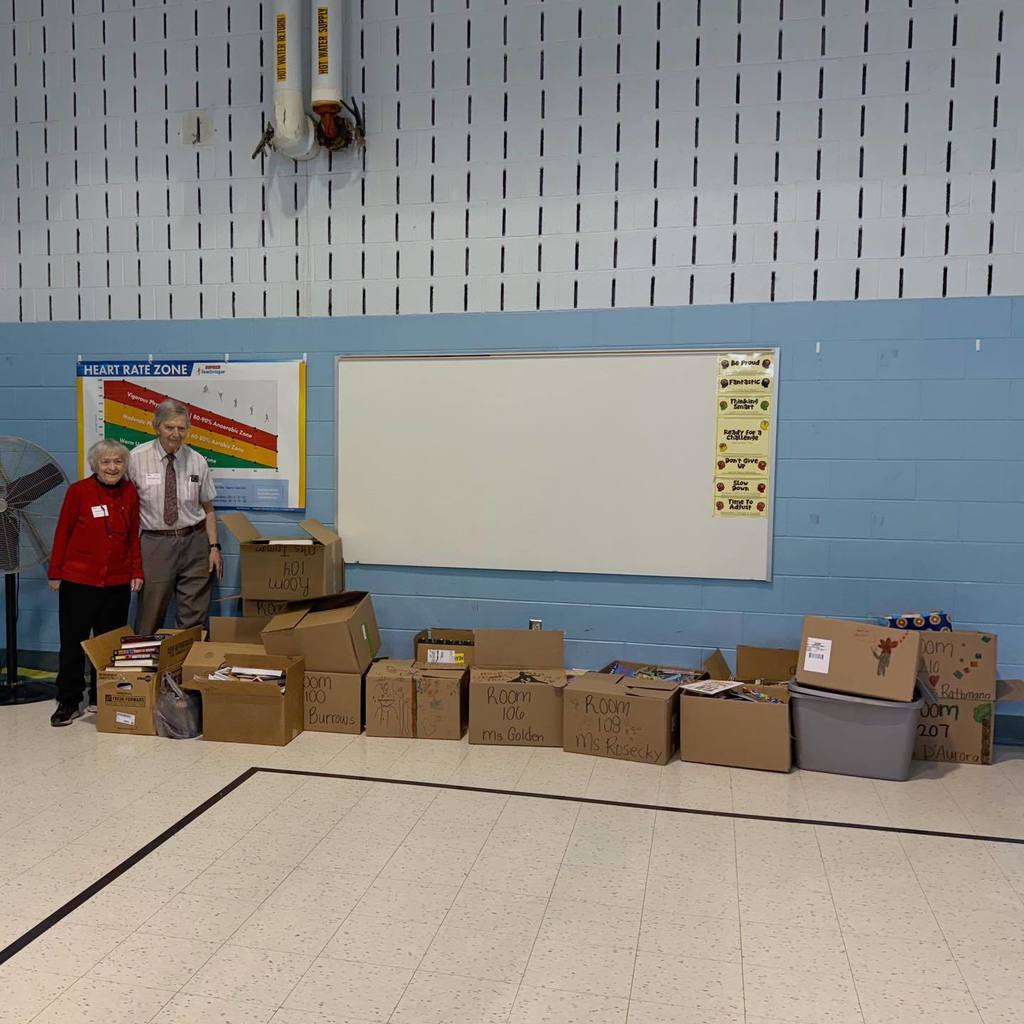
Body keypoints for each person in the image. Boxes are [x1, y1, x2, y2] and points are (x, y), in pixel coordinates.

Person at [48, 440, 144, 727]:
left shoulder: (130, 492)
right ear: (95, 465)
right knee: (74, 642)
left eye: (117, 462)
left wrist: (136, 571)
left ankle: (101, 697)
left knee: (109, 644)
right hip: (79, 580)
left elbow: (132, 536)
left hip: (116, 582)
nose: (112, 467)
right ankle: (68, 700)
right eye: (106, 462)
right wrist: (56, 572)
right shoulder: (78, 492)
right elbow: (62, 532)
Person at [129, 399, 224, 636]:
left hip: (195, 541)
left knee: (194, 614)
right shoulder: (136, 459)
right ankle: (145, 670)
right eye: (169, 427)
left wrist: (214, 547)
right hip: (155, 543)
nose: (176, 434)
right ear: (156, 426)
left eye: (182, 428)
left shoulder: (197, 460)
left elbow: (208, 508)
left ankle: (187, 666)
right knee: (150, 613)